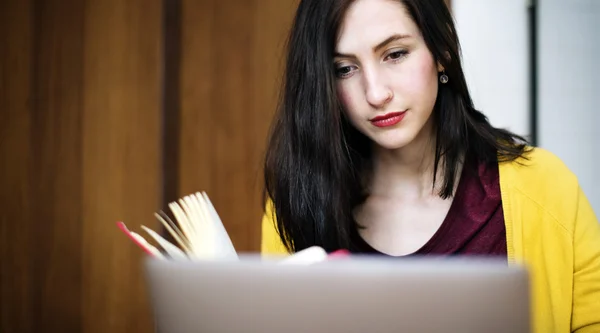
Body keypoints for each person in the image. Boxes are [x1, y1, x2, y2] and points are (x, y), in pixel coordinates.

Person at [259, 0, 600, 332]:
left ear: (442, 52)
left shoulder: (545, 187)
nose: (376, 93)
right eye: (345, 69)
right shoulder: (296, 206)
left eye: (395, 54)